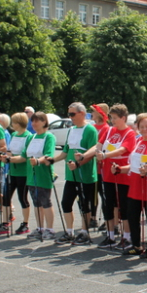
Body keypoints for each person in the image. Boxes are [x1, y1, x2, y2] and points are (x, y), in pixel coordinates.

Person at [79, 104, 136, 249]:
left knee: (123, 206)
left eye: (115, 118)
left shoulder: (129, 133)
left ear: (123, 118)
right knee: (108, 205)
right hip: (108, 174)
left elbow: (122, 150)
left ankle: (127, 237)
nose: (112, 120)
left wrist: (105, 155)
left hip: (122, 174)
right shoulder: (110, 130)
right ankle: (110, 236)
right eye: (111, 117)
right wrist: (84, 155)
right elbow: (97, 146)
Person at [114, 113, 147, 258]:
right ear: (137, 127)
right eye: (141, 126)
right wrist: (120, 169)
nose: (144, 129)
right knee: (132, 217)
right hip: (136, 186)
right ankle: (136, 245)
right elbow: (133, 166)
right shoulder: (138, 142)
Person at [50, 103, 98, 245]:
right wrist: (52, 160)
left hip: (86, 175)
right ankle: (70, 232)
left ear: (82, 113)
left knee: (84, 204)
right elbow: (65, 151)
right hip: (71, 175)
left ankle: (84, 232)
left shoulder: (90, 130)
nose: (70, 117)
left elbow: (92, 152)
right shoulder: (71, 130)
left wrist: (79, 163)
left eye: (72, 114)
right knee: (66, 203)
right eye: (69, 114)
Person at [10, 111, 56, 240]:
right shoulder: (31, 137)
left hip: (43, 174)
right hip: (31, 175)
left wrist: (38, 161)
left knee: (45, 201)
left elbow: (48, 154)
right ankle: (40, 228)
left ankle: (50, 229)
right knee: (36, 203)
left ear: (44, 122)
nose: (34, 123)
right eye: (33, 121)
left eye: (37, 121)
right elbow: (24, 156)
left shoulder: (49, 137)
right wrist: (9, 159)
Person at [0, 113, 33, 235]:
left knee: (22, 198)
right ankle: (5, 222)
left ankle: (25, 223)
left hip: (23, 173)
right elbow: (9, 151)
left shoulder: (28, 136)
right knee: (6, 197)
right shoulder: (13, 134)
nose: (12, 125)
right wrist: (4, 156)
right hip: (12, 171)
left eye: (14, 123)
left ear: (19, 123)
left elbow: (24, 156)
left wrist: (9, 159)